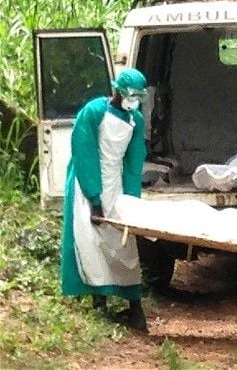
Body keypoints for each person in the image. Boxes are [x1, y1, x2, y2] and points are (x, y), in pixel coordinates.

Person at [60, 68, 149, 331]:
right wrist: (94, 197)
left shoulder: (136, 120)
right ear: (117, 91)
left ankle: (134, 306)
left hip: (116, 183)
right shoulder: (93, 112)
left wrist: (132, 202)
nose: (133, 100)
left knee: (123, 243)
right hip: (88, 183)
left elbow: (134, 163)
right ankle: (99, 302)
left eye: (137, 96)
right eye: (129, 95)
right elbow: (83, 153)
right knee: (90, 240)